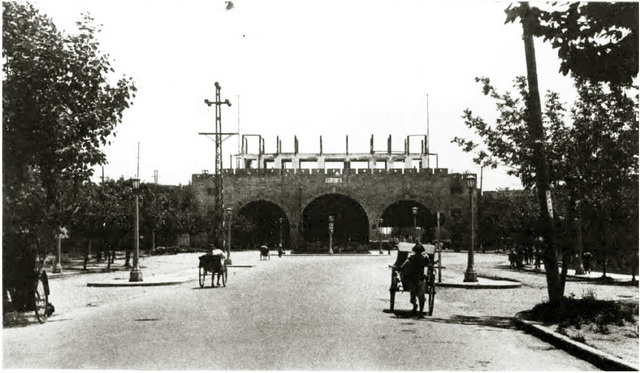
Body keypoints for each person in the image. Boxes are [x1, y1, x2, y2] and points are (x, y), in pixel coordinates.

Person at [400, 242, 427, 318]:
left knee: (419, 296)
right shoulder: (421, 258)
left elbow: (403, 266)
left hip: (417, 279)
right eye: (417, 251)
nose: (418, 253)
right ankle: (417, 309)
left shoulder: (415, 258)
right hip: (414, 279)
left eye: (419, 251)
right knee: (416, 296)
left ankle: (419, 311)